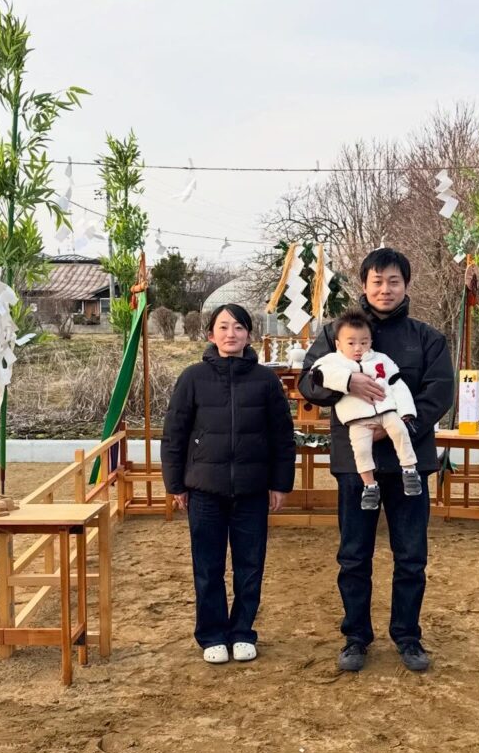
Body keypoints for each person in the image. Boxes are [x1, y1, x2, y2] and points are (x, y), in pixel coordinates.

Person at [300, 248, 454, 673]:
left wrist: (403, 422)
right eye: (376, 281)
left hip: (410, 459)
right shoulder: (336, 333)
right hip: (355, 461)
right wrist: (347, 380)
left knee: (411, 555)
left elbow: (439, 392)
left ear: (406, 285)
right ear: (364, 284)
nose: (385, 289)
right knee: (353, 554)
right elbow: (307, 384)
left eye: (393, 281)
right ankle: (355, 637)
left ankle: (407, 636)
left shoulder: (427, 337)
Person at [161, 303, 296, 665]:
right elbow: (174, 435)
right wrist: (176, 484)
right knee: (208, 565)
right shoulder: (192, 378)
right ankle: (212, 634)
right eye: (223, 327)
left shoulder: (266, 381)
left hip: (253, 489)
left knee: (250, 565)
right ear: (210, 335)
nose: (231, 334)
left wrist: (281, 483)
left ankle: (242, 632)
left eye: (238, 327)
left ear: (249, 335)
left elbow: (283, 436)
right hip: (205, 489)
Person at [309, 308, 421, 510]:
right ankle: (369, 484)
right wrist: (348, 380)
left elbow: (397, 384)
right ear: (338, 344)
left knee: (400, 431)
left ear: (370, 341)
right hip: (357, 419)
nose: (358, 348)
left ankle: (409, 469)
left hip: (387, 411)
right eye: (351, 343)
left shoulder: (380, 360)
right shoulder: (334, 361)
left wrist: (406, 412)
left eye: (364, 342)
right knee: (360, 451)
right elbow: (316, 374)